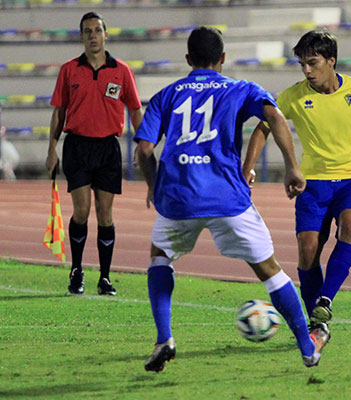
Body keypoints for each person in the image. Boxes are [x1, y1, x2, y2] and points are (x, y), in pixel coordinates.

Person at [134, 26, 329, 373]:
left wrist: (153, 185)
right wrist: (292, 167)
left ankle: (164, 337)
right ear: (222, 59)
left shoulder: (166, 94)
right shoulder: (239, 89)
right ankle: (306, 345)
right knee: (269, 270)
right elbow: (274, 116)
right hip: (227, 197)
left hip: (177, 196)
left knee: (160, 258)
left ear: (188, 59)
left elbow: (144, 149)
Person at [243, 30, 351, 339]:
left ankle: (324, 301)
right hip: (313, 183)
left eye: (312, 63)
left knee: (350, 226)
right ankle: (317, 322)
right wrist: (248, 167)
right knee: (308, 249)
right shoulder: (293, 95)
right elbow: (262, 127)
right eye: (302, 64)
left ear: (331, 61)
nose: (307, 71)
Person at [45, 12, 143, 296]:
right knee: (81, 211)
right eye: (87, 31)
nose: (92, 35)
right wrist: (52, 148)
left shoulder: (121, 70)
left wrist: (142, 142)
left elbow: (135, 109)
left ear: (106, 34)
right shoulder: (69, 70)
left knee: (105, 213)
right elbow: (59, 111)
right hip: (77, 146)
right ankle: (76, 271)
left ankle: (105, 277)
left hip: (107, 148)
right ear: (81, 37)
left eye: (97, 30)